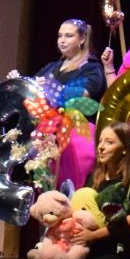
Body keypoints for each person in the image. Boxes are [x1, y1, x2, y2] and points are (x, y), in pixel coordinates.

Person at [12, 19, 106, 191]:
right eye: (60, 36)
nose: (62, 40)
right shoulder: (52, 67)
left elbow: (84, 94)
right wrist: (20, 82)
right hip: (47, 134)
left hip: (76, 134)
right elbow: (33, 92)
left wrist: (49, 86)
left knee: (69, 188)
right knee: (45, 188)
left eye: (68, 36)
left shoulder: (91, 68)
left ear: (82, 39)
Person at [67, 124, 130, 259]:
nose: (101, 147)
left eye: (109, 142)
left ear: (125, 148)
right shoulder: (94, 177)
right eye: (100, 141)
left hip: (118, 250)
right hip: (88, 247)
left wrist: (94, 235)